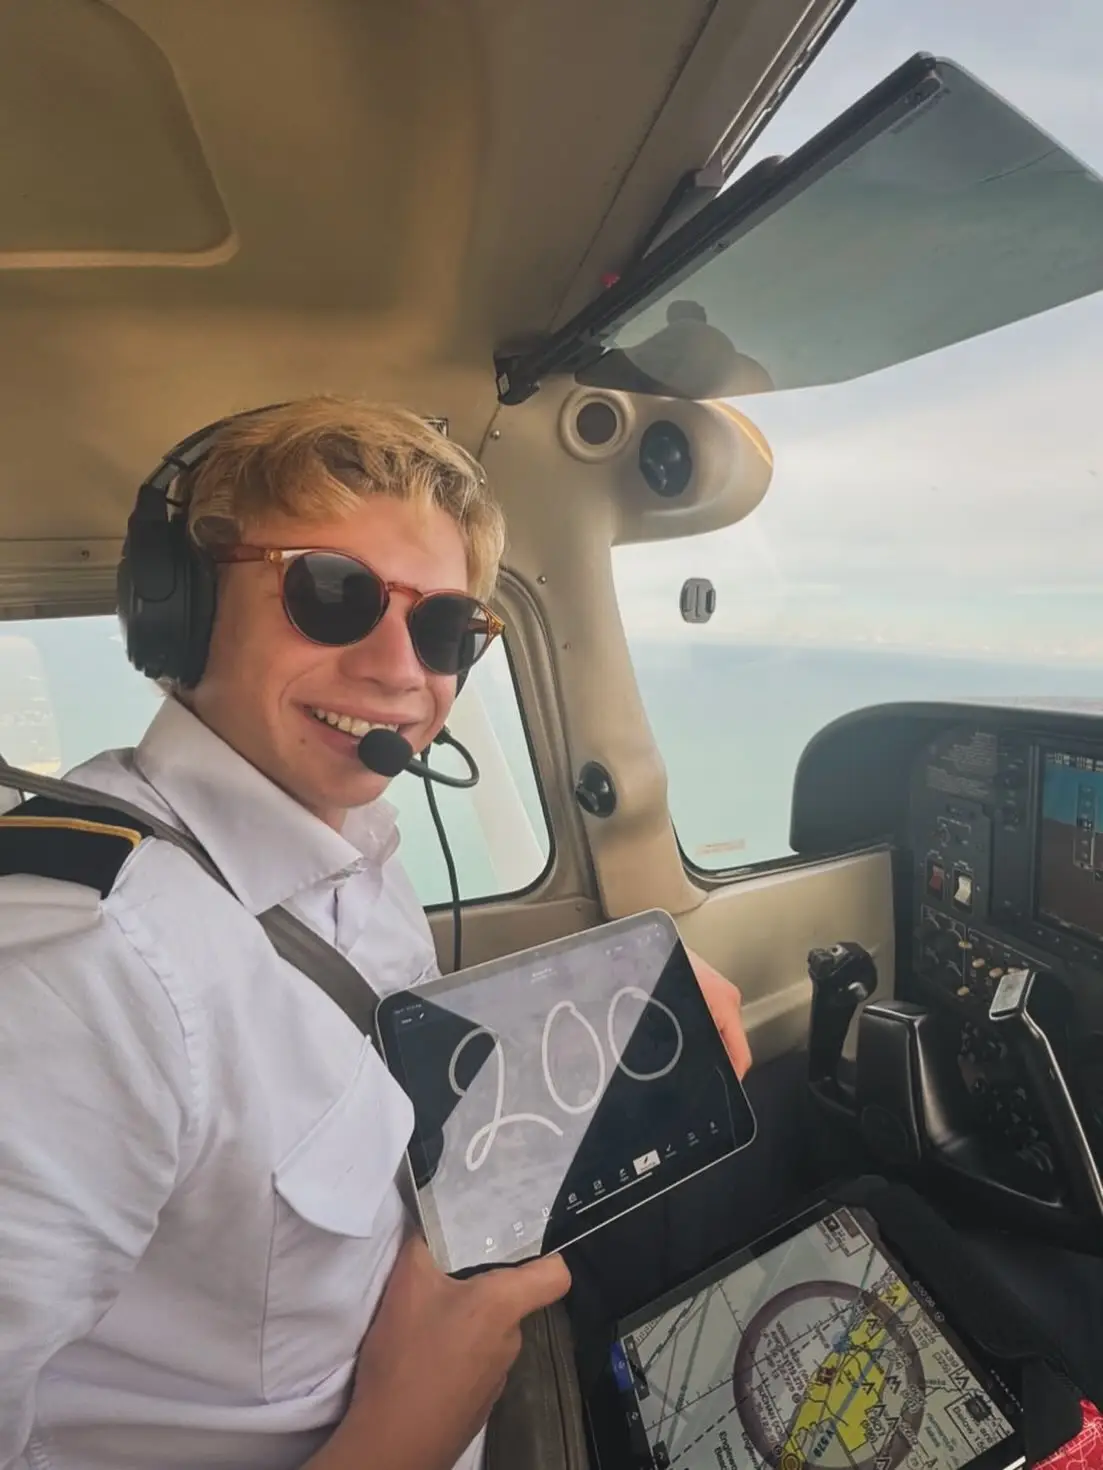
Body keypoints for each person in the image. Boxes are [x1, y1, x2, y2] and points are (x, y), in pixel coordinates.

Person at [0, 397, 751, 1470]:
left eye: (446, 629)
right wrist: (398, 1437)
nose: (404, 672)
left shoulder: (356, 841)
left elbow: (356, 1073)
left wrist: (620, 1003)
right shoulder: (78, 970)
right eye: (333, 593)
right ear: (183, 605)